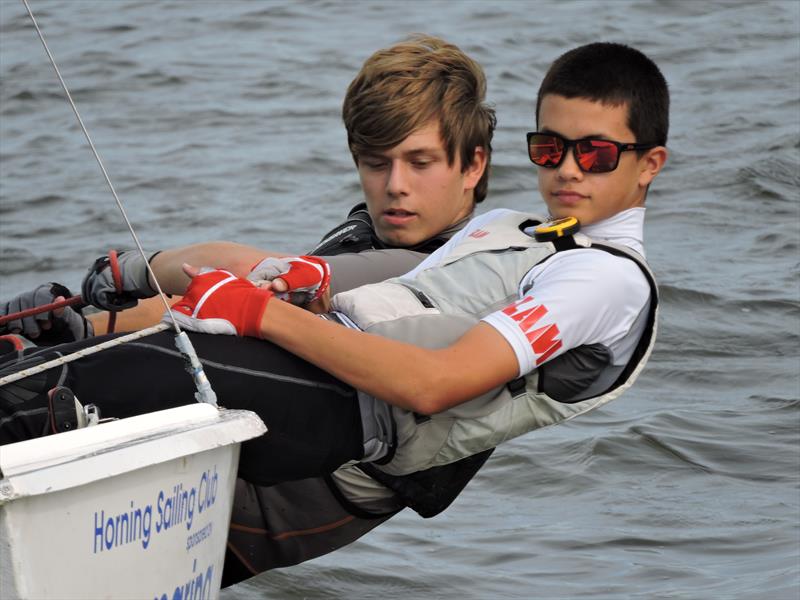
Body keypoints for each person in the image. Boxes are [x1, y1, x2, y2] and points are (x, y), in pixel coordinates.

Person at [0, 40, 668, 581]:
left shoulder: (600, 281)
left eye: (597, 154)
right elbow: (274, 288)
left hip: (316, 475)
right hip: (270, 432)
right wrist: (83, 322)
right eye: (550, 150)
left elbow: (429, 380)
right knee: (54, 365)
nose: (569, 170)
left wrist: (223, 301)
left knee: (80, 386)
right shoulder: (515, 234)